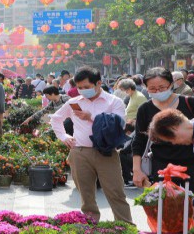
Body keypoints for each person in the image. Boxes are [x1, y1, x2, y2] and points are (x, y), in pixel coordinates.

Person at [49, 66, 133, 224]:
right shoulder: (74, 102)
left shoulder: (114, 101)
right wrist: (64, 136)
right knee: (86, 195)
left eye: (86, 87)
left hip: (106, 152)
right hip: (79, 152)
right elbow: (56, 118)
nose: (82, 90)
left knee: (116, 193)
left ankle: (125, 226)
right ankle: (90, 226)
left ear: (98, 83)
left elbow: (119, 126)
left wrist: (91, 117)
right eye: (79, 88)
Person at [131, 67, 194, 226]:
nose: (157, 91)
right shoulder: (145, 109)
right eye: (152, 88)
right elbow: (139, 141)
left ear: (171, 84)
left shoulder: (190, 103)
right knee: (164, 211)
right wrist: (137, 170)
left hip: (193, 165)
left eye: (161, 87)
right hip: (162, 168)